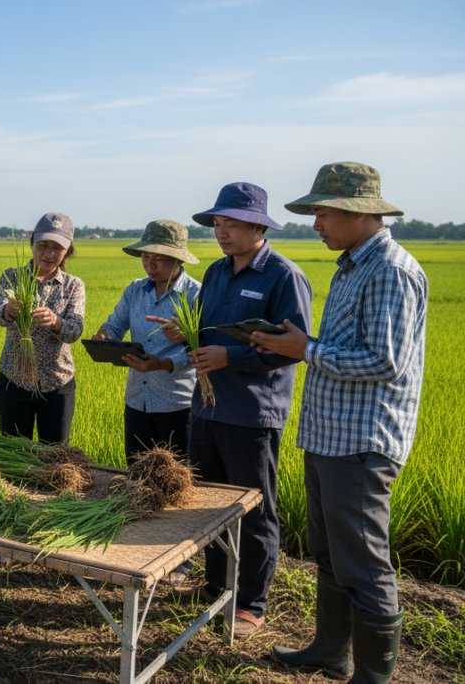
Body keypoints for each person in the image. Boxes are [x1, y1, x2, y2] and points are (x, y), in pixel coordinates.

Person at [256, 163, 426, 683]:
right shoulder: (353, 265)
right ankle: (331, 652)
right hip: (330, 435)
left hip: (362, 442)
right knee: (329, 551)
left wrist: (303, 348)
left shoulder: (390, 271)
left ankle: (373, 677)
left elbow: (384, 360)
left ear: (358, 212)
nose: (315, 224)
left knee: (365, 563)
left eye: (322, 213)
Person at [152, 182, 312, 637]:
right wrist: (186, 334)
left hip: (251, 414)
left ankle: (251, 604)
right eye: (218, 223)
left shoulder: (283, 276)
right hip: (206, 407)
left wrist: (231, 357)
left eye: (231, 223)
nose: (221, 232)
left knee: (254, 510)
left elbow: (293, 348)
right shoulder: (219, 274)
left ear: (258, 225)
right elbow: (206, 331)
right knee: (212, 504)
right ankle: (216, 584)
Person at [93, 219, 202, 465]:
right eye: (145, 257)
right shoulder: (135, 290)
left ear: (178, 259)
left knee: (176, 481)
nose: (150, 265)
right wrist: (105, 335)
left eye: (160, 258)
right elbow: (115, 324)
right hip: (137, 400)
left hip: (177, 404)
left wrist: (163, 363)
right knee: (138, 477)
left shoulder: (196, 294)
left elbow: (199, 350)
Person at [0, 212, 85, 444]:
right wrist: (10, 310)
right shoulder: (12, 277)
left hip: (57, 382)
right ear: (32, 243)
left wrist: (56, 322)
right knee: (13, 452)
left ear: (67, 251)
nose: (49, 254)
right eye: (43, 245)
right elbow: (0, 315)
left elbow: (75, 330)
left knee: (54, 456)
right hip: (14, 377)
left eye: (57, 248)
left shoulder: (73, 285)